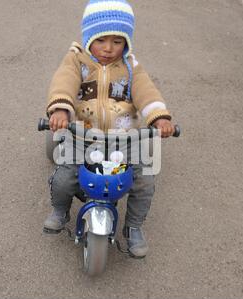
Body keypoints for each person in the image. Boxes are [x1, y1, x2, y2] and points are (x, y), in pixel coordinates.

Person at [43, 0, 175, 258]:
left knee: (144, 180)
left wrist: (159, 117)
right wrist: (60, 110)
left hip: (124, 137)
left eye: (117, 41)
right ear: (89, 36)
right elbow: (64, 82)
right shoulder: (77, 60)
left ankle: (133, 226)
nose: (109, 48)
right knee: (65, 175)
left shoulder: (130, 66)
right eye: (102, 40)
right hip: (82, 133)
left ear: (126, 41)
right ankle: (60, 210)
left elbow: (146, 92)